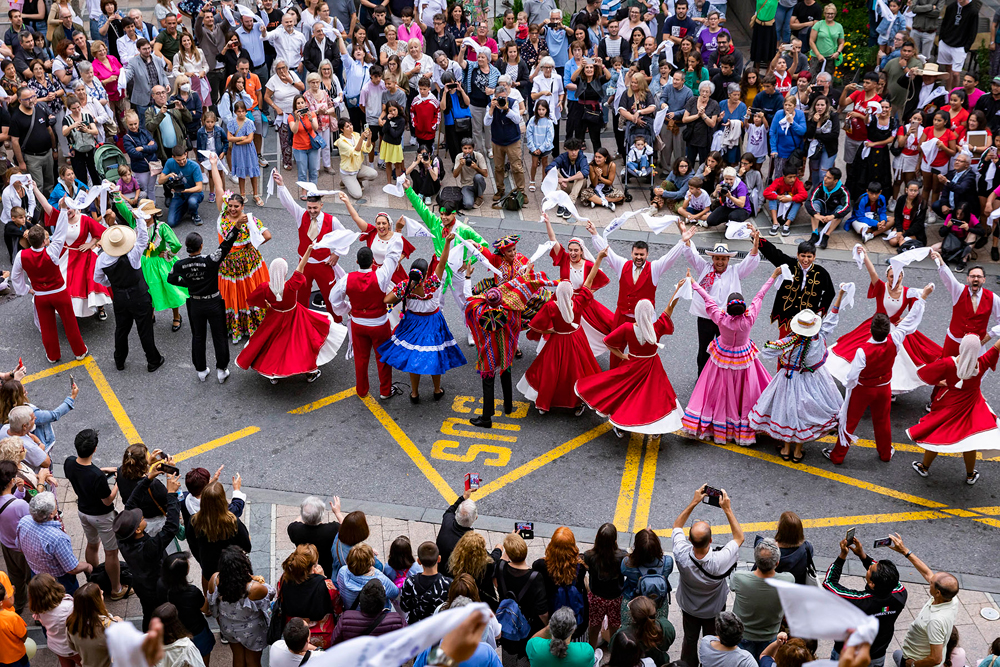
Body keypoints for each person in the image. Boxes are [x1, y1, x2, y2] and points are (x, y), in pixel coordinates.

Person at [684, 263, 780, 447]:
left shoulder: (720, 318)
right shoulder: (749, 318)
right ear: (743, 308)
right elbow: (760, 295)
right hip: (743, 355)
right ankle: (742, 424)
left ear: (728, 308)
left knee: (719, 389)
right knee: (744, 390)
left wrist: (693, 282)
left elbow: (707, 298)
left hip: (723, 354)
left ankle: (719, 425)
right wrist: (773, 275)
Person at [827, 247, 941, 396]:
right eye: (891, 276)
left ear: (902, 276)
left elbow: (917, 309)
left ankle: (890, 389)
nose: (894, 279)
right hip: (876, 326)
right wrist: (866, 256)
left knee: (897, 361)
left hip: (895, 329)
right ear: (887, 276)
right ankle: (859, 378)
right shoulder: (881, 287)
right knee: (859, 351)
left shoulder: (908, 292)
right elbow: (872, 272)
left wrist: (905, 319)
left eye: (898, 276)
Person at [575, 284, 686, 438]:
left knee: (625, 394)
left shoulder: (627, 328)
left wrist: (622, 356)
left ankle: (621, 426)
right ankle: (656, 428)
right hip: (652, 367)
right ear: (651, 314)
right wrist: (678, 290)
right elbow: (670, 307)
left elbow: (608, 342)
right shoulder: (657, 327)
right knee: (655, 397)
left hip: (632, 365)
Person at [751, 289, 847, 462]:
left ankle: (786, 449)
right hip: (814, 380)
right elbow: (832, 318)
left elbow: (766, 350)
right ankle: (797, 452)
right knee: (804, 413)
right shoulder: (820, 337)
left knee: (788, 412)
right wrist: (839, 296)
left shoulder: (789, 342)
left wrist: (779, 344)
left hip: (788, 379)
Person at [236, 252, 348, 383]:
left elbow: (252, 299)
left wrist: (266, 305)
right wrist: (309, 250)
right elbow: (301, 266)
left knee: (273, 345)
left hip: (274, 317)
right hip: (295, 316)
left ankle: (273, 375)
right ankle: (309, 372)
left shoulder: (265, 288)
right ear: (284, 273)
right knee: (302, 344)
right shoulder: (291, 285)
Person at [166, 191, 242, 382]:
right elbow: (225, 247)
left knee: (198, 337)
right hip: (214, 302)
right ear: (200, 247)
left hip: (196, 304)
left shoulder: (180, 265)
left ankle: (201, 371)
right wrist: (236, 228)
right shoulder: (210, 261)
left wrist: (188, 283)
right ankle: (222, 370)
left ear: (187, 248)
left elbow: (172, 279)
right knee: (219, 336)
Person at [379, 235, 466, 402]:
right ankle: (436, 389)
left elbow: (386, 300)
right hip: (433, 323)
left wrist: (407, 287)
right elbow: (443, 262)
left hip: (412, 323)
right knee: (435, 355)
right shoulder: (433, 282)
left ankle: (414, 393)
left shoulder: (405, 285)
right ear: (426, 273)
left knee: (413, 357)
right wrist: (447, 242)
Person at [586, 221, 684, 367]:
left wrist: (682, 241)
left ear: (647, 255)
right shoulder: (622, 264)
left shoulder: (654, 268)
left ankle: (637, 374)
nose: (639, 257)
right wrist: (595, 234)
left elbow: (669, 258)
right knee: (616, 347)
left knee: (642, 351)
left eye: (642, 255)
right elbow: (608, 254)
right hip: (622, 315)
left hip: (644, 318)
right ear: (631, 253)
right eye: (636, 254)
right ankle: (614, 373)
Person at [517, 255, 605, 415]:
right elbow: (589, 281)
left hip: (557, 341)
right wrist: (598, 259)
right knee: (577, 372)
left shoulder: (551, 307)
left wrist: (553, 331)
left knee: (549, 372)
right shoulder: (578, 303)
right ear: (571, 293)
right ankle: (578, 404)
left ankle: (544, 402)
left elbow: (536, 326)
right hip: (576, 340)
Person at [908, 332, 1000, 485]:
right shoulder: (982, 363)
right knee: (971, 440)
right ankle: (970, 475)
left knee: (937, 434)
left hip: (950, 405)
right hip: (972, 407)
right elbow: (997, 347)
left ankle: (924, 467)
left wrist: (940, 382)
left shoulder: (948, 363)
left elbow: (924, 374)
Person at [9, 198, 89, 364]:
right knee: (70, 323)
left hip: (41, 296)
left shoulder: (21, 256)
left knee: (47, 328)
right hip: (60, 293)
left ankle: (53, 355)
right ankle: (80, 352)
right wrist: (63, 208)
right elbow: (60, 231)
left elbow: (15, 276)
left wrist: (25, 289)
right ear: (44, 240)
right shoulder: (52, 251)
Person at [671, 485, 744, 667]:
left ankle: (688, 664)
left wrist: (694, 501)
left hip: (689, 607)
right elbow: (739, 538)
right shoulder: (720, 560)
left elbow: (677, 526)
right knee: (712, 640)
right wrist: (727, 509)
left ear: (689, 540)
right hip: (713, 610)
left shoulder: (681, 552)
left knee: (689, 639)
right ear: (710, 541)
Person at [93, 213, 166, 373]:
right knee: (144, 329)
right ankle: (153, 360)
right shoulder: (133, 254)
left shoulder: (102, 259)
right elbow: (143, 238)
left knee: (121, 329)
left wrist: (112, 283)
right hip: (139, 296)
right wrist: (139, 218)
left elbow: (98, 278)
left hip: (120, 298)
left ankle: (119, 360)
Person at [63, 429, 129, 602]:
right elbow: (108, 501)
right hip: (102, 516)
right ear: (95, 449)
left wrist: (102, 471)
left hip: (83, 512)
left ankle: (94, 581)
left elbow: (85, 472)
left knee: (92, 544)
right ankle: (116, 589)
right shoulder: (97, 476)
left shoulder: (69, 463)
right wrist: (117, 483)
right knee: (111, 552)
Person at [113, 460, 180, 630]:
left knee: (148, 613)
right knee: (164, 613)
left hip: (141, 584)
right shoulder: (148, 548)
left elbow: (131, 504)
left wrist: (147, 479)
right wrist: (171, 494)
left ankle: (147, 632)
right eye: (141, 519)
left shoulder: (122, 537)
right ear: (137, 530)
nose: (142, 517)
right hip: (157, 588)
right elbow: (171, 527)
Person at [823, 536, 907, 667]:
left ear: (872, 583)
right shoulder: (900, 595)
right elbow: (889, 579)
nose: (871, 566)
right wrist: (862, 555)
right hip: (877, 656)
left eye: (870, 569)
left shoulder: (857, 602)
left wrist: (842, 557)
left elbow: (829, 583)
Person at [207, 546, 275, 667]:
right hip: (251, 630)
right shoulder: (252, 588)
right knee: (252, 660)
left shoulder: (214, 579)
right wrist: (255, 579)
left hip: (228, 626)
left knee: (237, 656)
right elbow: (270, 593)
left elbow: (212, 605)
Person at [729, 538, 793, 661]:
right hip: (769, 636)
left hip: (743, 634)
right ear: (777, 563)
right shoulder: (788, 580)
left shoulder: (739, 578)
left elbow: (732, 586)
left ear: (756, 560)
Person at [18, 491, 92, 595]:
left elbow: (20, 548)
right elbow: (72, 568)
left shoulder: (23, 522)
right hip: (59, 581)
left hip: (36, 574)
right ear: (52, 514)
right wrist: (87, 566)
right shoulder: (57, 538)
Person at [157, 553, 214, 663]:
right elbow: (205, 609)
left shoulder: (160, 584)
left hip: (174, 632)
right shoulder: (191, 592)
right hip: (196, 632)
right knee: (202, 658)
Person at [331, 579, 406, 644]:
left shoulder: (345, 619)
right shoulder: (397, 620)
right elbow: (406, 642)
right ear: (383, 603)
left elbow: (335, 642)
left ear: (360, 602)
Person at [287, 496, 345, 578]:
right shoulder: (333, 530)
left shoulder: (295, 530)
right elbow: (347, 528)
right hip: (328, 568)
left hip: (305, 567)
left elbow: (295, 522)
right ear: (322, 515)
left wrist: (305, 513)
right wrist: (337, 512)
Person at [66, 582, 121, 667]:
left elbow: (72, 646)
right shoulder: (110, 626)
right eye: (101, 594)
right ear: (97, 601)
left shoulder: (71, 623)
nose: (102, 592)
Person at [400, 541, 452, 624]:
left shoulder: (410, 582)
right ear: (439, 559)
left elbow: (404, 607)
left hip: (416, 625)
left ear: (418, 561)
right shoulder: (448, 584)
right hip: (438, 626)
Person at [527, 606, 595, 666]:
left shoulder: (534, 647)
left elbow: (532, 640)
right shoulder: (586, 652)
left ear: (550, 626)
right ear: (573, 630)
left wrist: (548, 628)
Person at [437, 487, 477, 575]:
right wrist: (498, 549)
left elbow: (450, 511)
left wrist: (463, 497)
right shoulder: (470, 542)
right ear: (475, 518)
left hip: (439, 569)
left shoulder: (447, 521)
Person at [453, 137, 489, 209]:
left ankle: (480, 197)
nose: (467, 151)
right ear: (462, 149)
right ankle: (472, 196)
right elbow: (455, 175)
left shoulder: (478, 156)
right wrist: (460, 165)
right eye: (465, 148)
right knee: (468, 205)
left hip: (478, 184)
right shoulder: (459, 157)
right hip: (466, 185)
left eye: (470, 148)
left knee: (478, 177)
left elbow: (485, 174)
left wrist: (476, 168)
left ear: (473, 148)